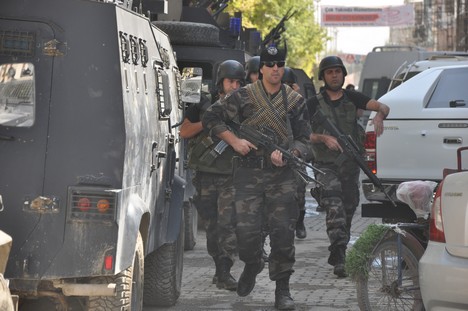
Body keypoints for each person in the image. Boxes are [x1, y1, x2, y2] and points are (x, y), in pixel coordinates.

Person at [203, 44, 312, 310]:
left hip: (282, 177)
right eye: (271, 64)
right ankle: (252, 265)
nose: (276, 69)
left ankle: (282, 291)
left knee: (282, 235)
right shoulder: (243, 96)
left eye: (280, 65)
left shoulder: (295, 101)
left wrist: (291, 152)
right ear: (261, 68)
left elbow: (305, 140)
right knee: (246, 235)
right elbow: (211, 117)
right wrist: (235, 141)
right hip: (248, 175)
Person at [307, 56, 390, 278]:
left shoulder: (353, 97)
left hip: (350, 165)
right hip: (325, 166)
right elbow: (298, 130)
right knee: (334, 207)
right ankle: (340, 256)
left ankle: (339, 248)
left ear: (343, 74)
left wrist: (380, 115)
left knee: (349, 209)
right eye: (330, 72)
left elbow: (383, 106)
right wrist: (322, 138)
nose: (334, 75)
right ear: (323, 77)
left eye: (338, 71)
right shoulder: (313, 103)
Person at [180, 60, 245, 290]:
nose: (234, 86)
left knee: (229, 225)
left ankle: (225, 272)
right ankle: (220, 269)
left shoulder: (246, 107)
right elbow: (184, 131)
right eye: (230, 81)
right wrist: (209, 123)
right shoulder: (203, 103)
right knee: (213, 227)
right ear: (221, 82)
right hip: (206, 175)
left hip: (232, 175)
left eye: (238, 82)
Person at [282, 67, 308, 239]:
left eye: (289, 85)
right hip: (275, 155)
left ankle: (300, 220)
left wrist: (296, 151)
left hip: (295, 155)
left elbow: (305, 135)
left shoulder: (297, 104)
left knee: (299, 191)